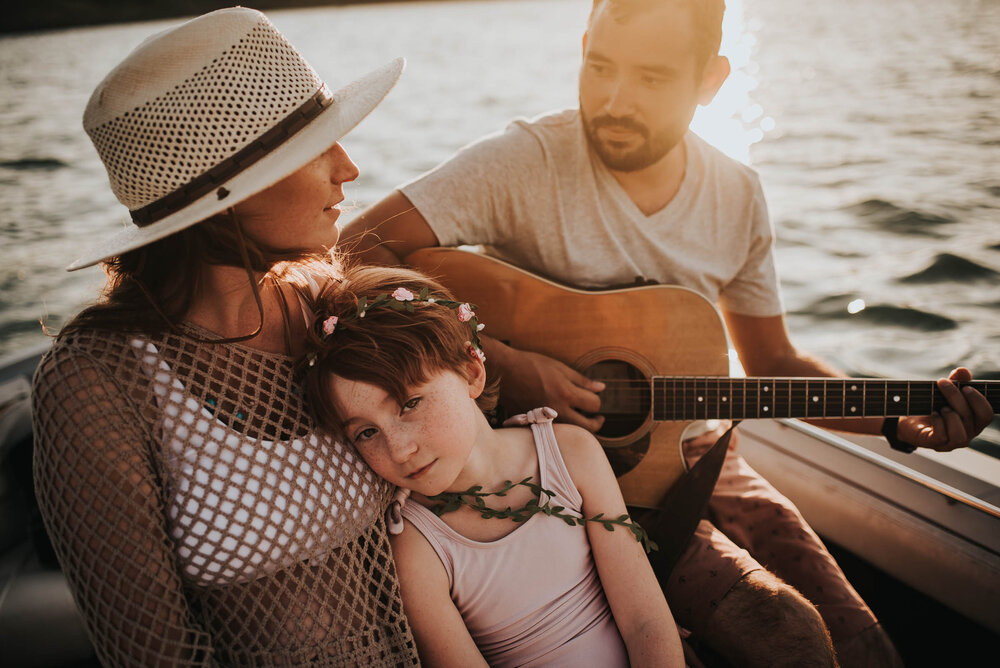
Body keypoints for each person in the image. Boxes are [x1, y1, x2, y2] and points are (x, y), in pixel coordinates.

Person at [338, 0, 995, 666]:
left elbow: (770, 363)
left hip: (703, 458)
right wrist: (505, 360)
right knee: (788, 636)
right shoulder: (525, 161)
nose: (615, 100)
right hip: (566, 476)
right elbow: (351, 250)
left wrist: (895, 420)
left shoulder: (735, 195)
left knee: (865, 648)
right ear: (583, 45)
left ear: (710, 81)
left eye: (651, 78)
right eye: (600, 67)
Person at [31, 8, 420, 666]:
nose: (348, 168)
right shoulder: (98, 387)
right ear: (229, 194)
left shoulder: (325, 307)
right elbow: (154, 654)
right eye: (313, 147)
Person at [299, 263, 685, 667]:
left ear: (471, 372)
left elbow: (645, 621)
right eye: (365, 433)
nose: (398, 450)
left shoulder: (570, 453)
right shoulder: (417, 546)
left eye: (409, 404)